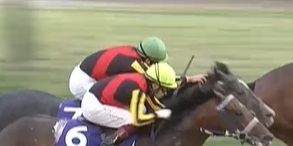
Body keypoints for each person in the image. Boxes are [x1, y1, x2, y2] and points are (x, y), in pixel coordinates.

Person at [81, 61, 180, 146]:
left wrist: (167, 112)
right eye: (164, 89)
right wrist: (157, 115)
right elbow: (138, 120)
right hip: (93, 106)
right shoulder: (138, 90)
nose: (165, 93)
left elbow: (152, 102)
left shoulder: (144, 81)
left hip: (98, 97)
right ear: (155, 85)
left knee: (143, 110)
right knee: (132, 120)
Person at [68, 37, 206, 100]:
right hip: (82, 82)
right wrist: (186, 80)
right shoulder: (133, 66)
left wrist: (188, 79)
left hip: (86, 72)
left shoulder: (137, 54)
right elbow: (159, 81)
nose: (158, 66)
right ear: (147, 60)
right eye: (157, 63)